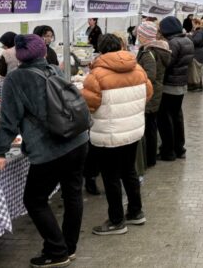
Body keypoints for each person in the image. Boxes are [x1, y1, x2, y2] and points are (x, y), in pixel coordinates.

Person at [0, 34, 89, 267]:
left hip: (50, 148)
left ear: (18, 55)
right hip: (77, 140)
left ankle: (57, 250)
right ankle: (68, 247)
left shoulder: (16, 79)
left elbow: (9, 122)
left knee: (34, 199)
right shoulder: (54, 70)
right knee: (72, 193)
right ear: (43, 52)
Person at [81, 34, 153, 236]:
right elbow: (148, 94)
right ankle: (136, 211)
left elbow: (89, 104)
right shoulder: (137, 68)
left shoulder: (96, 74)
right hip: (133, 130)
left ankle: (116, 220)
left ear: (101, 49)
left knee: (111, 176)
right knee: (129, 171)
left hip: (108, 133)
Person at [158, 17, 194, 161]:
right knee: (177, 116)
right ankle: (179, 148)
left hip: (170, 85)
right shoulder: (187, 40)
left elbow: (167, 64)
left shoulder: (172, 43)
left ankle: (168, 151)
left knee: (166, 119)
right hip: (181, 84)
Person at [136, 21, 171, 168]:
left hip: (150, 94)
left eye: (139, 34)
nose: (138, 37)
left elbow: (150, 75)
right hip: (155, 92)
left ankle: (149, 158)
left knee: (149, 127)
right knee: (151, 125)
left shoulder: (149, 53)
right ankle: (150, 157)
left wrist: (136, 76)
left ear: (145, 36)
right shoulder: (155, 50)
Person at [188, 18, 203, 91]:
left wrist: (189, 36)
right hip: (198, 52)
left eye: (193, 24)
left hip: (197, 53)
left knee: (195, 71)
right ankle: (196, 86)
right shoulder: (199, 31)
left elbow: (196, 41)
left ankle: (197, 87)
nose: (192, 25)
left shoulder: (199, 32)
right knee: (195, 70)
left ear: (197, 24)